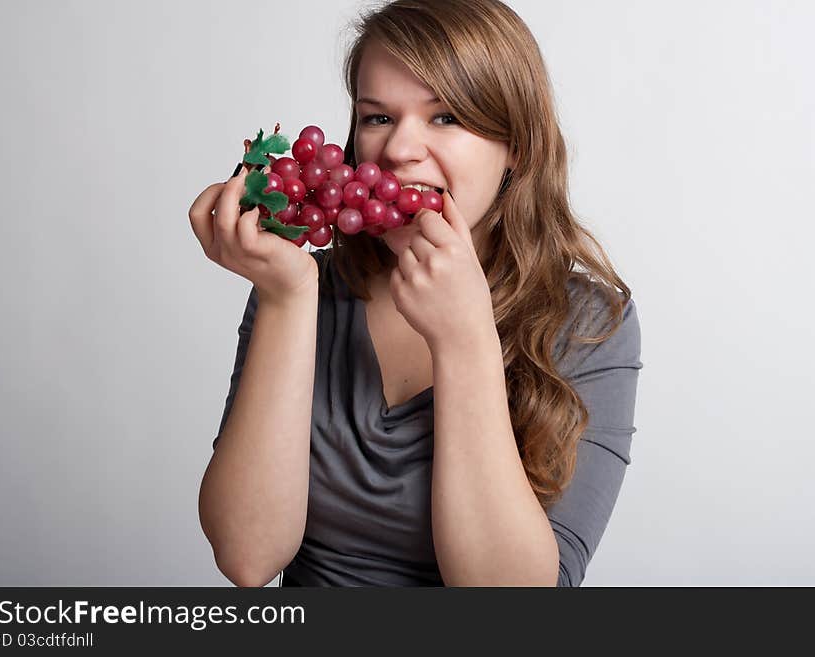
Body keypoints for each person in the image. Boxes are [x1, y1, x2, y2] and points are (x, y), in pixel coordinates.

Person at [189, 0, 642, 587]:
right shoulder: (304, 288)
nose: (400, 150)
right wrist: (286, 297)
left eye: (445, 117)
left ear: (518, 148)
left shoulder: (589, 323)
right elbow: (247, 558)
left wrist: (464, 339)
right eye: (377, 118)